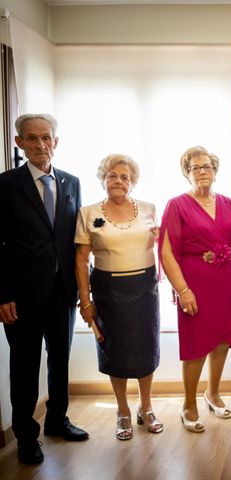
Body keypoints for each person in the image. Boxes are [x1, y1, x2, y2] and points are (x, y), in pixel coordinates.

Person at [0, 113, 88, 465]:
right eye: (32, 138)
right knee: (23, 365)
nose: (40, 145)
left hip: (62, 290)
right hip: (19, 296)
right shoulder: (5, 185)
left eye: (46, 138)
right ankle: (25, 435)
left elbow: (74, 238)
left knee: (60, 360)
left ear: (56, 141)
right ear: (19, 142)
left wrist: (84, 288)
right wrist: (2, 293)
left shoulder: (71, 182)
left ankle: (57, 420)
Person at [75, 154, 162, 441]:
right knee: (116, 351)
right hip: (108, 290)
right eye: (112, 175)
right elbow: (81, 259)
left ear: (133, 182)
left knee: (145, 347)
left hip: (145, 289)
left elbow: (164, 247)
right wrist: (85, 301)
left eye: (125, 177)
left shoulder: (150, 209)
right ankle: (123, 410)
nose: (118, 181)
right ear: (103, 178)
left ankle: (145, 407)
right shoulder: (89, 213)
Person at [160, 146, 231, 433]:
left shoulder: (226, 202)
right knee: (196, 346)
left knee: (222, 342)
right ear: (186, 172)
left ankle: (213, 393)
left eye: (207, 166)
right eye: (195, 167)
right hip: (195, 284)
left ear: (215, 170)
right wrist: (183, 290)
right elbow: (167, 253)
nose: (202, 171)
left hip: (226, 282)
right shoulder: (176, 204)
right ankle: (188, 403)